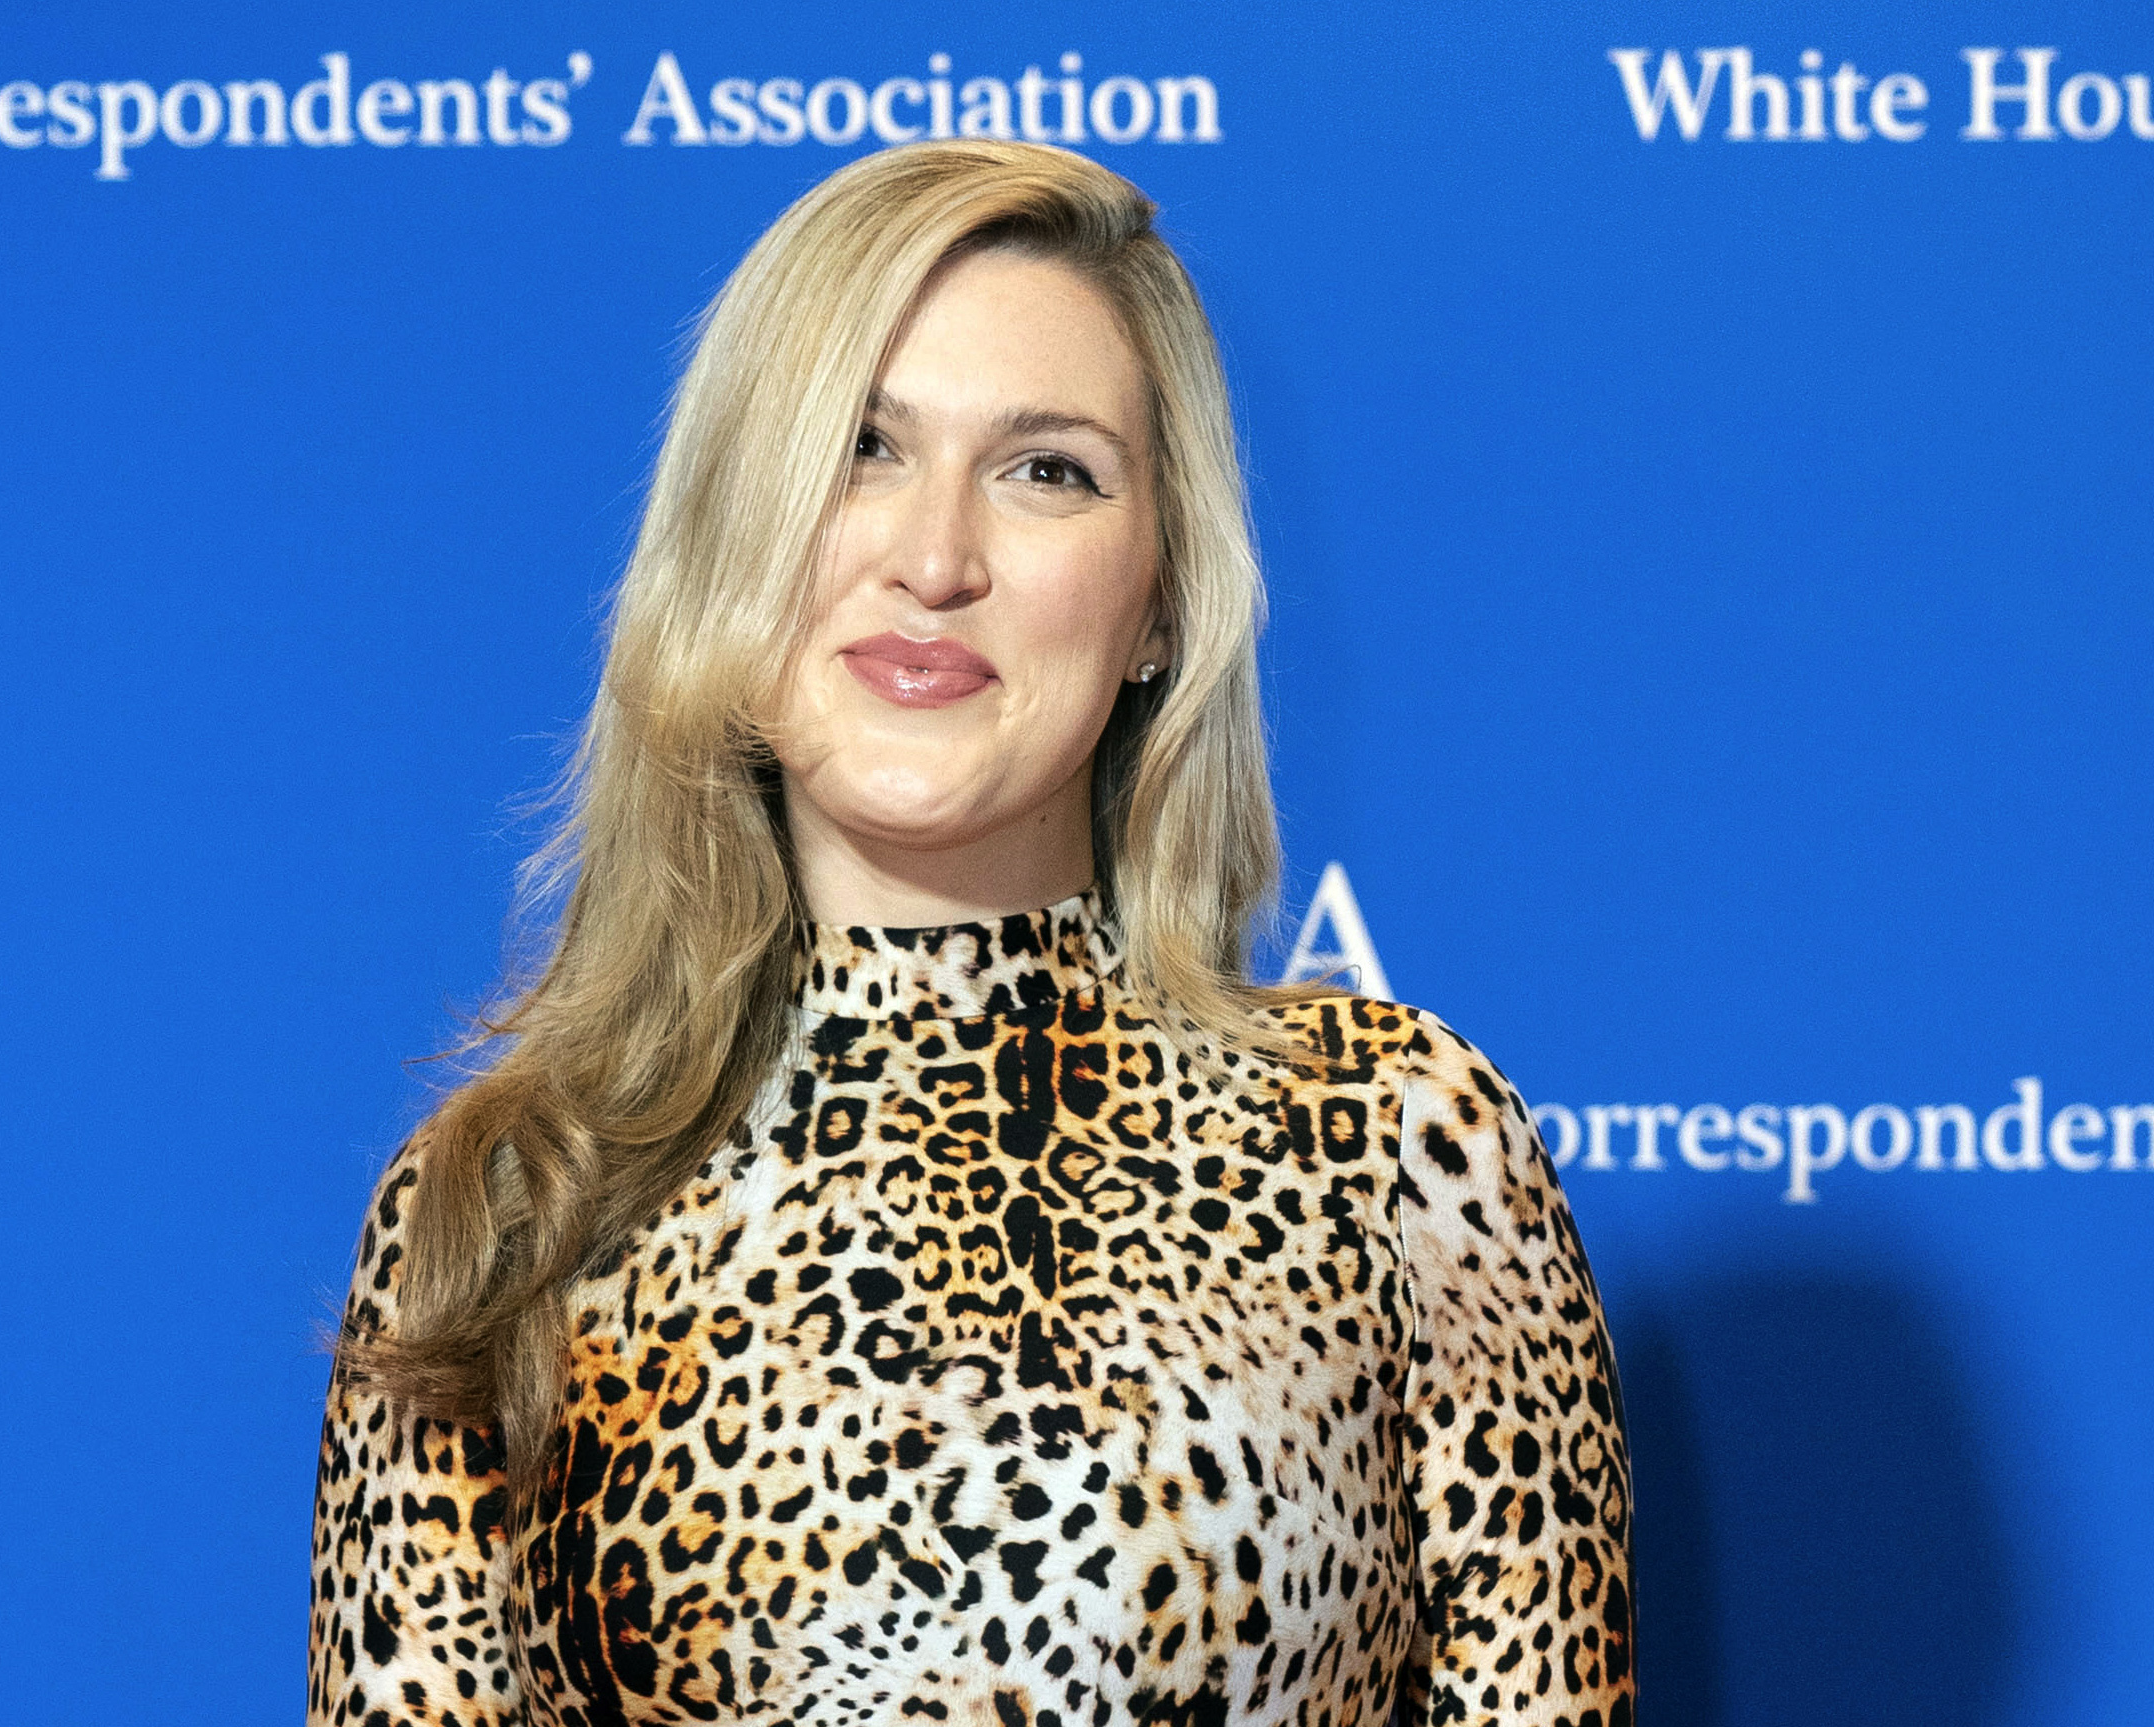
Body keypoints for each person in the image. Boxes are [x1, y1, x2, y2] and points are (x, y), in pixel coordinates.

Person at [308, 140, 1632, 1727]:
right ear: (735, 536)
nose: (934, 559)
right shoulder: (510, 1206)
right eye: (860, 447)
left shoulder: (1397, 1147)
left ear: (1161, 604)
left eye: (1047, 469)